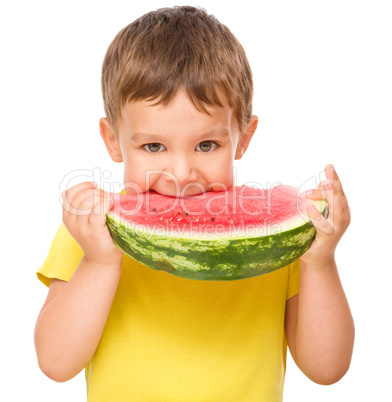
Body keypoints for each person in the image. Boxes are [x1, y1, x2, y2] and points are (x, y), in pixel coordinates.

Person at [34, 6, 354, 401]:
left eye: (207, 145)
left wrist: (320, 261)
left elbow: (327, 369)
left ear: (244, 136)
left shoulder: (280, 241)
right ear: (113, 139)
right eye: (153, 146)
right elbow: (54, 363)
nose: (182, 174)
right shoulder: (89, 230)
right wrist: (98, 261)